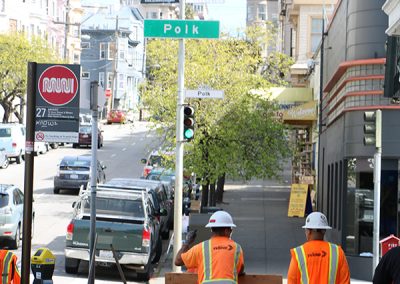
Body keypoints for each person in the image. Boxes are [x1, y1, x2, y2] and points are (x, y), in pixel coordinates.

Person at [174, 210, 245, 284]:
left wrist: (187, 242)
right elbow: (240, 270)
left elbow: (177, 261)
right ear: (226, 231)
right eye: (231, 230)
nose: (231, 232)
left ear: (212, 229)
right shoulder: (236, 248)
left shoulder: (201, 247)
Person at [287, 212, 350, 284]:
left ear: (308, 231)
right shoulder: (337, 252)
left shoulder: (299, 254)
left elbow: (292, 281)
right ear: (324, 231)